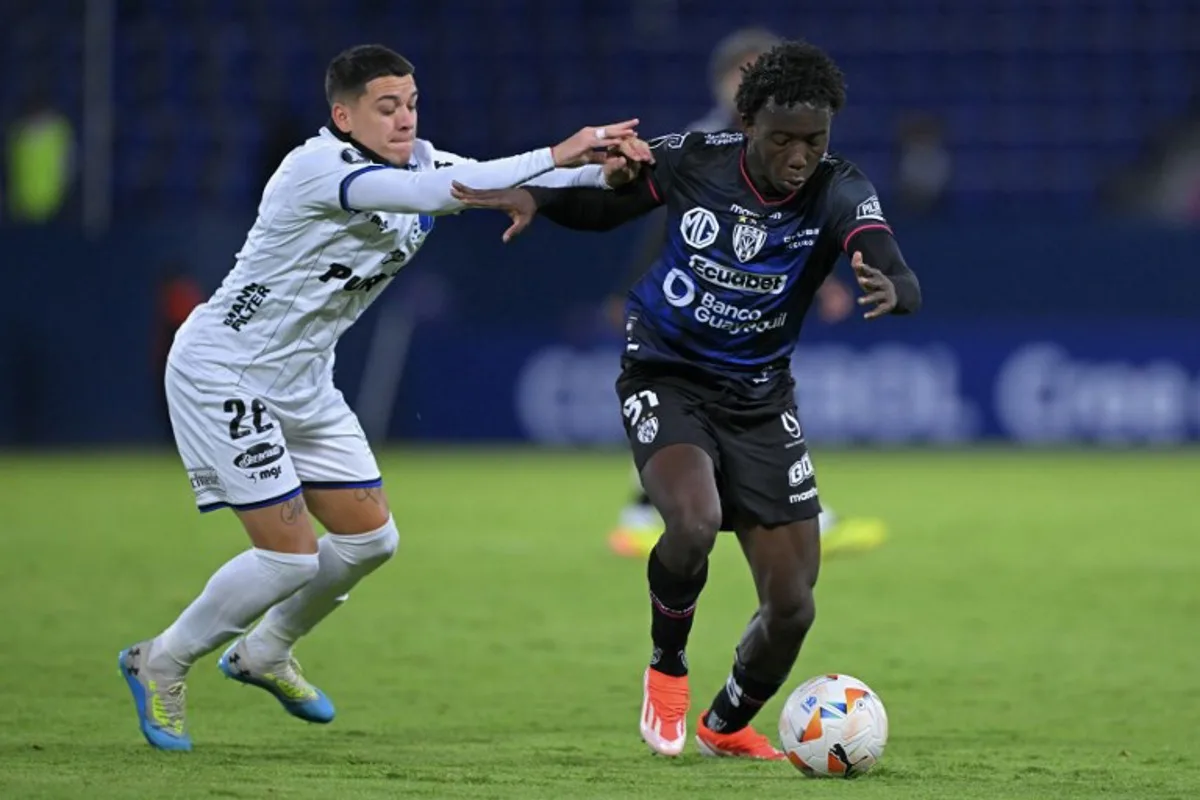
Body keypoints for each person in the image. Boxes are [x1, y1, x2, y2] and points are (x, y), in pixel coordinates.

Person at [118, 43, 645, 752]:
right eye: (386, 107)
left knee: (371, 540)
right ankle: (160, 661)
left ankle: (266, 651)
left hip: (304, 377)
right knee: (290, 558)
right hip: (226, 368)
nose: (404, 119)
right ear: (344, 114)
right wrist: (562, 149)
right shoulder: (317, 168)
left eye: (412, 103)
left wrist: (608, 165)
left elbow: (488, 179)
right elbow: (450, 194)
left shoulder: (425, 160)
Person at [451, 40, 921, 759]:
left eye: (814, 141)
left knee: (793, 607)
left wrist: (899, 284)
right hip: (666, 374)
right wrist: (536, 199)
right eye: (783, 139)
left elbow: (879, 245)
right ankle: (666, 669)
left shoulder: (838, 186)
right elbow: (608, 208)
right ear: (746, 124)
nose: (799, 156)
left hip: (761, 400)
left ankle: (725, 723)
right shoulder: (698, 157)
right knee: (693, 522)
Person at [601, 29, 871, 561]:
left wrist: (826, 283)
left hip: (747, 303)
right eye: (743, 73)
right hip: (694, 304)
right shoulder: (701, 143)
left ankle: (796, 507)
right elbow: (664, 225)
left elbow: (797, 231)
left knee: (741, 400)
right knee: (698, 401)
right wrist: (627, 289)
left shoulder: (782, 143)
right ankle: (645, 508)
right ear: (724, 83)